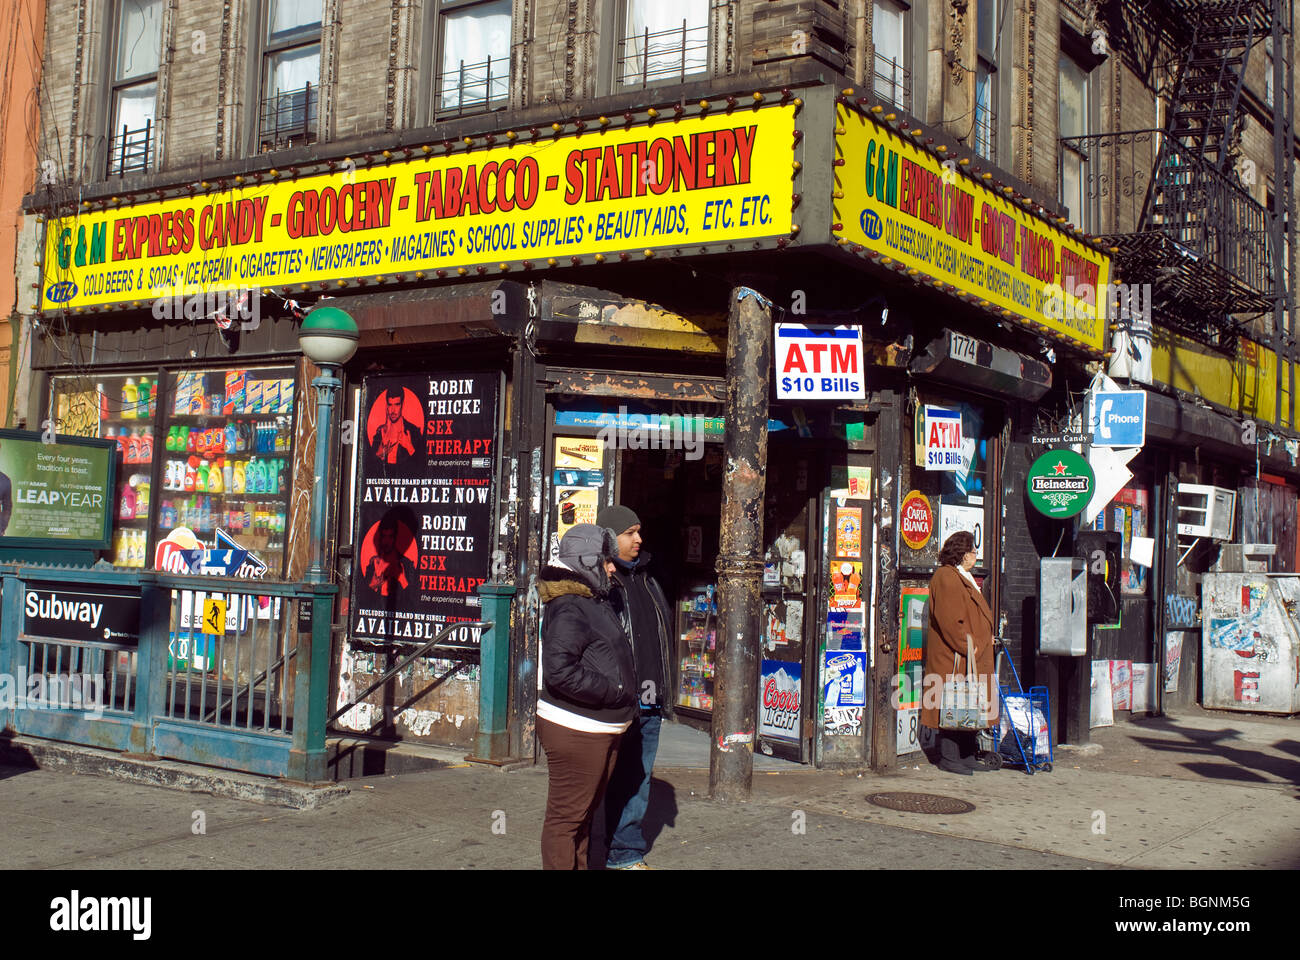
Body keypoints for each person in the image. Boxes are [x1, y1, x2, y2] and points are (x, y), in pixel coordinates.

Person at [537, 523, 638, 870]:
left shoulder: (590, 598)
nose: (613, 568)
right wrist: (615, 691)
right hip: (577, 729)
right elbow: (559, 671)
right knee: (567, 820)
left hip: (599, 727)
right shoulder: (570, 605)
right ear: (587, 560)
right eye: (607, 561)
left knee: (581, 820)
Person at [596, 504, 674, 870]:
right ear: (611, 538)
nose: (638, 539)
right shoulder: (601, 583)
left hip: (649, 696)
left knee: (638, 779)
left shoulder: (649, 578)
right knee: (601, 780)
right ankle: (596, 848)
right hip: (616, 698)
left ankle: (625, 854)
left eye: (639, 531)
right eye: (630, 533)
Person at [921, 530, 996, 775]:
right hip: (957, 657)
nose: (975, 555)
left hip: (970, 656)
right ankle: (950, 757)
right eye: (973, 551)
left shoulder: (962, 576)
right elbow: (952, 619)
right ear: (962, 554)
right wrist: (969, 646)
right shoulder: (947, 577)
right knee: (954, 704)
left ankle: (966, 754)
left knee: (970, 704)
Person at [361, 514, 414, 600]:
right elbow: (362, 597)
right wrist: (373, 584)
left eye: (390, 537)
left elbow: (413, 599)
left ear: (395, 538)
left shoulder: (406, 564)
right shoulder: (373, 563)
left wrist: (402, 579)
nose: (386, 541)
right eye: (384, 537)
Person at [372, 391, 420, 465]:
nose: (393, 410)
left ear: (402, 405)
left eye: (397, 405)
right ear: (387, 407)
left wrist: (409, 447)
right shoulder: (380, 432)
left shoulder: (413, 431)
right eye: (390, 405)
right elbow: (369, 465)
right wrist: (379, 454)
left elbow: (422, 466)